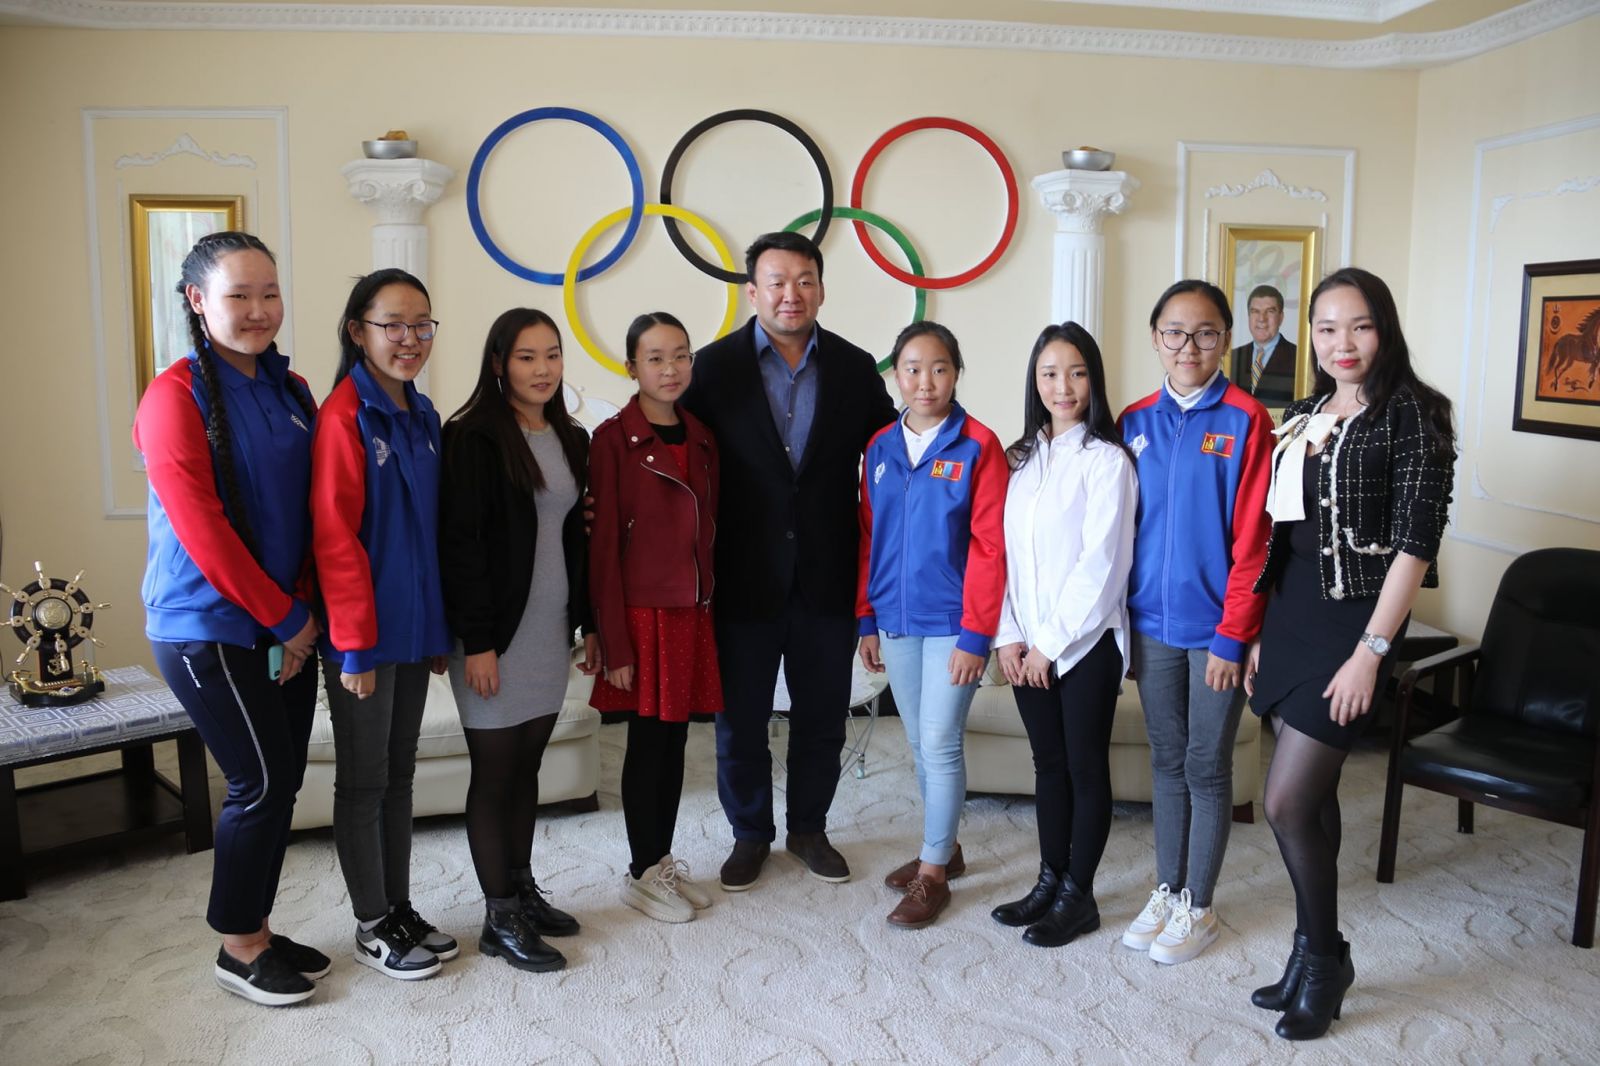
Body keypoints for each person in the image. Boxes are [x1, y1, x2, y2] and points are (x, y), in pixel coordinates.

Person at [1246, 266, 1455, 1041]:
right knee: (1318, 797)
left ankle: (1325, 959)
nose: (1343, 342)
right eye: (1328, 328)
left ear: (1384, 328)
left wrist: (1372, 652)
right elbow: (1281, 527)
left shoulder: (1416, 415)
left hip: (1354, 625)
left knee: (1285, 802)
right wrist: (1258, 627)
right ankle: (1314, 952)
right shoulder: (1303, 413)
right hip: (1291, 615)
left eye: (1360, 326)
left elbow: (1415, 547)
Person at [134, 231, 326, 1006]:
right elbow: (202, 531)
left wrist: (299, 615)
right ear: (197, 300)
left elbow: (312, 511)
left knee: (282, 782)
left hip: (284, 621)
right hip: (206, 626)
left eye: (268, 293)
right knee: (260, 781)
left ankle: (260, 927)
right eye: (238, 295)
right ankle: (239, 947)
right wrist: (286, 621)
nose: (258, 310)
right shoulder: (171, 396)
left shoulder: (292, 388)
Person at [682, 231, 897, 891]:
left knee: (821, 718)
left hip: (827, 575)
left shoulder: (855, 368)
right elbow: (679, 458)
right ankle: (750, 835)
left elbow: (894, 453)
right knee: (739, 721)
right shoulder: (712, 369)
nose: (791, 295)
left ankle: (809, 829)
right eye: (776, 282)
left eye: (804, 281)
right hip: (741, 576)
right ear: (753, 292)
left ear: (821, 289)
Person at [1116, 280, 1275, 965]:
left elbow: (1256, 541)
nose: (1189, 347)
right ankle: (1168, 888)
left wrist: (1235, 635)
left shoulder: (1247, 419)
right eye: (1175, 333)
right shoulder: (1133, 420)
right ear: (1156, 338)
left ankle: (1200, 906)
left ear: (1226, 340)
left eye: (1206, 333)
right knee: (1166, 759)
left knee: (1207, 765)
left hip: (1216, 633)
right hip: (1150, 625)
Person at [439, 308, 596, 971]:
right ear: (499, 363)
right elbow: (461, 546)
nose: (543, 369)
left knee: (528, 766)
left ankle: (522, 890)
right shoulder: (471, 436)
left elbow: (578, 539)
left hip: (549, 628)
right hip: (494, 635)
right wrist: (476, 641)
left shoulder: (571, 436)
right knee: (496, 772)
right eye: (527, 356)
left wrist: (588, 622)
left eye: (552, 354)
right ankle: (498, 916)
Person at [312, 267, 455, 981]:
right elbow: (335, 540)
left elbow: (431, 535)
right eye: (392, 324)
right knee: (365, 780)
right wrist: (354, 648)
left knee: (400, 775)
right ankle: (372, 923)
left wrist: (437, 632)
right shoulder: (344, 416)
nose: (409, 338)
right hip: (363, 639)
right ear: (357, 330)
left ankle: (398, 907)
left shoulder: (422, 414)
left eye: (421, 324)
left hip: (414, 630)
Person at [990, 323, 1139, 948]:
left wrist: (1048, 645)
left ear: (1094, 379)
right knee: (1047, 765)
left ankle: (1080, 895)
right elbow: (1001, 556)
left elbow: (1101, 566)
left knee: (1083, 767)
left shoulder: (1108, 461)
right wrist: (1009, 637)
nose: (1063, 386)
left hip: (1085, 645)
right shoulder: (1020, 461)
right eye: (1049, 374)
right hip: (1026, 645)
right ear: (1035, 381)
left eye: (1076, 372)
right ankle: (1049, 880)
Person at [856, 322, 1007, 929]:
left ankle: (933, 872)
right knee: (919, 742)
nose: (925, 382)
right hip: (894, 619)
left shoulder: (979, 446)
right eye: (912, 369)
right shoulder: (879, 447)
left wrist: (977, 635)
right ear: (895, 375)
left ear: (956, 373)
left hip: (952, 622)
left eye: (939, 368)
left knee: (940, 740)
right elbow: (869, 537)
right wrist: (866, 616)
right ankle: (945, 848)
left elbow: (991, 548)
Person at [589, 312, 723, 924]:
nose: (670, 369)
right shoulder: (612, 439)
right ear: (631, 367)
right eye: (655, 358)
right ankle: (642, 871)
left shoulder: (701, 435)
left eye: (680, 355)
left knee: (675, 743)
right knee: (647, 745)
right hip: (641, 614)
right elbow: (602, 547)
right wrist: (612, 640)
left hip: (691, 610)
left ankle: (660, 860)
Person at [1230, 284, 1299, 407]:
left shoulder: (1299, 359)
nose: (1262, 319)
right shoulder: (1232, 357)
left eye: (1270, 311)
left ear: (1281, 317)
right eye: (1255, 311)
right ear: (1248, 316)